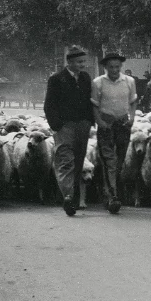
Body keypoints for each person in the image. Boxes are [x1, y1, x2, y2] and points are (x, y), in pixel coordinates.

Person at [43, 46, 95, 216]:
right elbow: (49, 104)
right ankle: (68, 197)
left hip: (82, 126)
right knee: (65, 160)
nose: (83, 65)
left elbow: (90, 100)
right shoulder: (57, 79)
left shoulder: (86, 78)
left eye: (84, 61)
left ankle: (73, 197)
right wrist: (56, 125)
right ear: (70, 62)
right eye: (80, 62)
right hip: (64, 125)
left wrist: (89, 121)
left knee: (79, 160)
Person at [90, 52, 137, 214]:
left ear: (121, 67)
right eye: (111, 67)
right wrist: (100, 122)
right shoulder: (98, 83)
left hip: (123, 124)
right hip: (106, 124)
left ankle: (110, 190)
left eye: (117, 67)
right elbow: (95, 105)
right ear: (105, 67)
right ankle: (112, 196)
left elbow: (133, 102)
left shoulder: (129, 81)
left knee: (120, 160)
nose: (114, 70)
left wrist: (132, 118)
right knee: (108, 160)